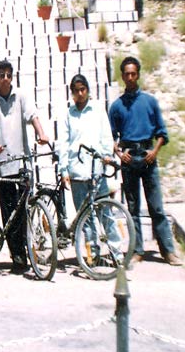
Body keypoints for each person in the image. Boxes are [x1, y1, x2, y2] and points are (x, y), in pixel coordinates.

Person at [108, 56, 182, 266]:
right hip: (129, 159)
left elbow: (162, 133)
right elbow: (111, 137)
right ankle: (137, 250)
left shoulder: (150, 101)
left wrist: (154, 151)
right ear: (122, 76)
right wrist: (119, 153)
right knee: (132, 207)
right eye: (126, 74)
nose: (130, 77)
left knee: (156, 206)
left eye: (133, 73)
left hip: (148, 157)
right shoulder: (116, 106)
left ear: (138, 74)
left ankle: (168, 251)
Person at [0, 59, 50, 274]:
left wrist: (41, 133)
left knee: (22, 209)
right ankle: (17, 256)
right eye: (1, 75)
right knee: (8, 210)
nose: (5, 79)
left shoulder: (21, 96)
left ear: (12, 77)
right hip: (2, 163)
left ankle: (25, 250)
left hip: (21, 162)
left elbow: (32, 115)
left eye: (8, 75)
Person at [57, 74, 122, 257]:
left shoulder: (97, 110)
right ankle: (92, 253)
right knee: (85, 217)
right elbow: (63, 143)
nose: (80, 93)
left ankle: (116, 253)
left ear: (87, 90)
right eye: (76, 91)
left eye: (82, 89)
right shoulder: (68, 114)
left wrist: (106, 156)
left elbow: (106, 136)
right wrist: (63, 170)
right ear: (72, 93)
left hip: (96, 170)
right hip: (76, 170)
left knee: (105, 213)